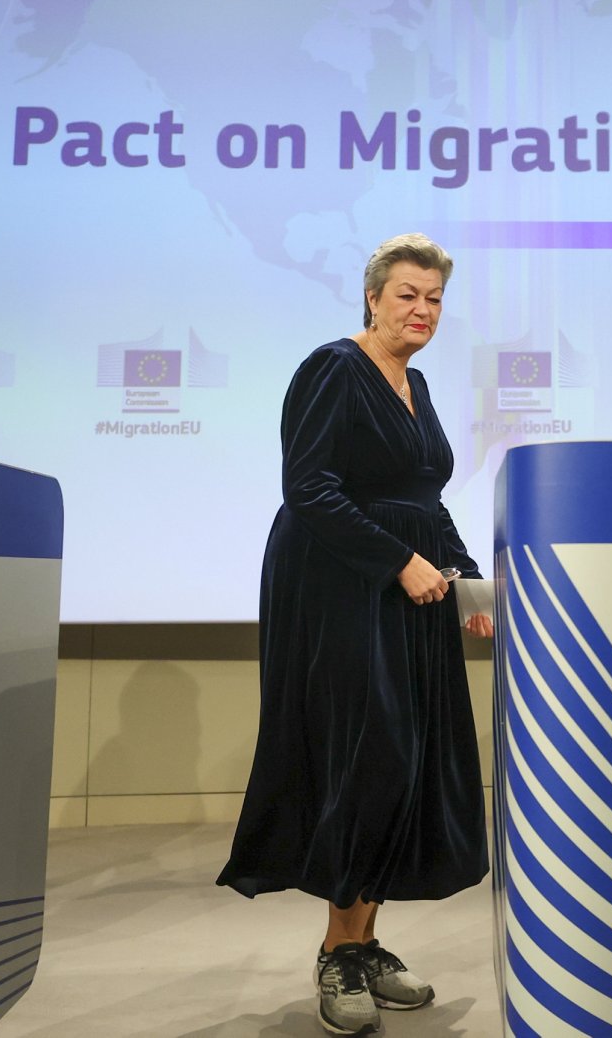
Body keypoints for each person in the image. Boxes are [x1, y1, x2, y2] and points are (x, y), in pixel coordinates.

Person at [217, 233, 493, 1036]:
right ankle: (339, 954)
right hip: (340, 588)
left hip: (406, 591)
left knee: (403, 763)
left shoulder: (418, 382)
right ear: (372, 297)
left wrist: (463, 574)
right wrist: (396, 561)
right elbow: (307, 487)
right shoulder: (335, 367)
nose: (423, 311)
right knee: (363, 758)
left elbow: (424, 500)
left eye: (435, 299)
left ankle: (364, 943)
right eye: (408, 294)